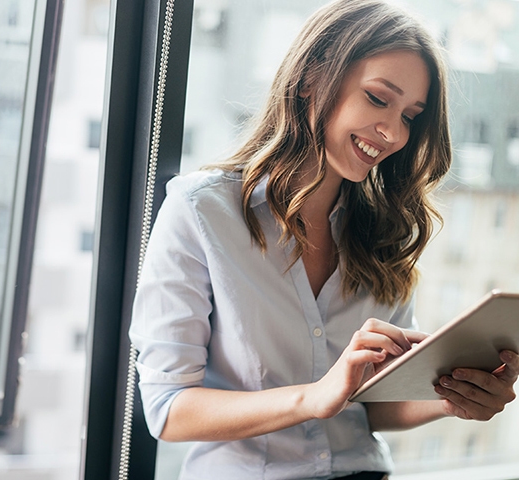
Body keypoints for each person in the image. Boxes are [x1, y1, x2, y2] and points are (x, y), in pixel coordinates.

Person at [129, 0, 519, 479]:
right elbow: (168, 410)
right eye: (378, 98)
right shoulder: (201, 211)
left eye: (410, 116)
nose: (394, 133)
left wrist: (454, 399)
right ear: (313, 77)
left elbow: (373, 406)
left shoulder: (385, 233)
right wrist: (314, 396)